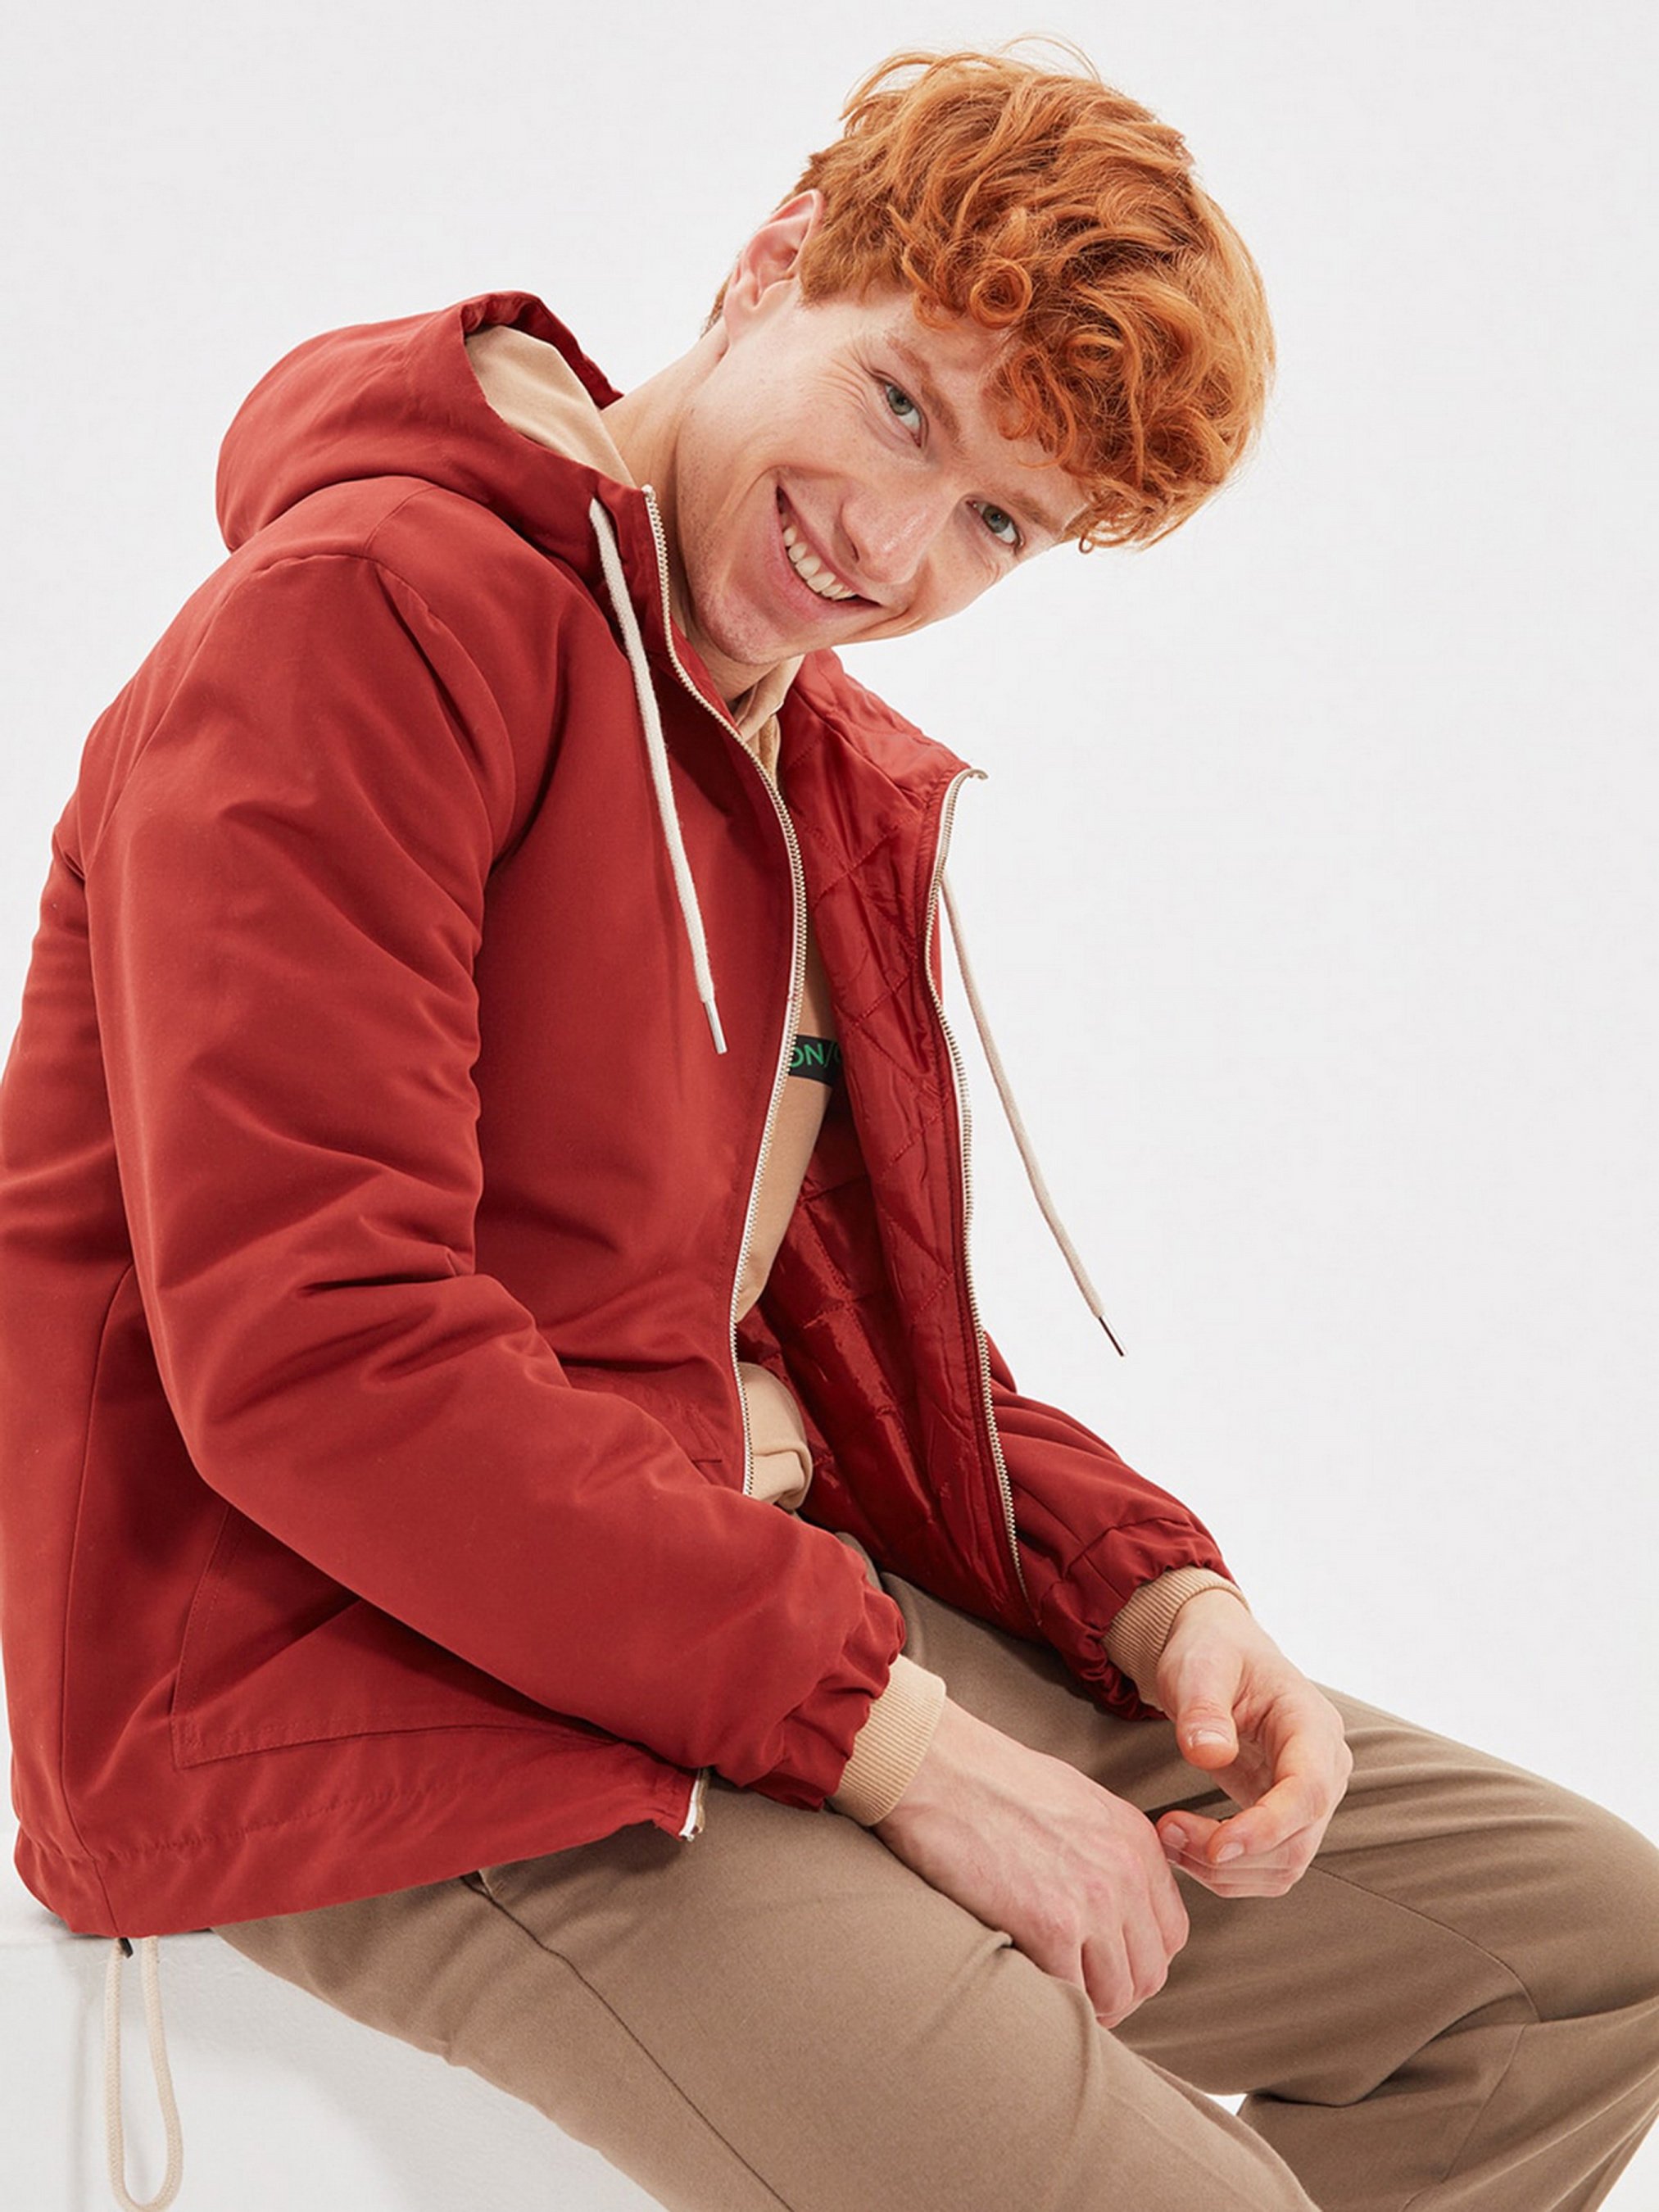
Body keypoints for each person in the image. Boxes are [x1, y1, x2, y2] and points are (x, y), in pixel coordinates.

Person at [0, 43, 1654, 2212]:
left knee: (1577, 1967)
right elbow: (322, 1356)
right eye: (899, 406)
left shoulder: (786, 755)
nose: (888, 544)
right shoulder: (365, 621)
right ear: (775, 262)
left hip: (705, 1603)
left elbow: (827, 1324)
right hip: (347, 1674)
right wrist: (902, 1745)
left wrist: (1147, 1589)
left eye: (996, 523)